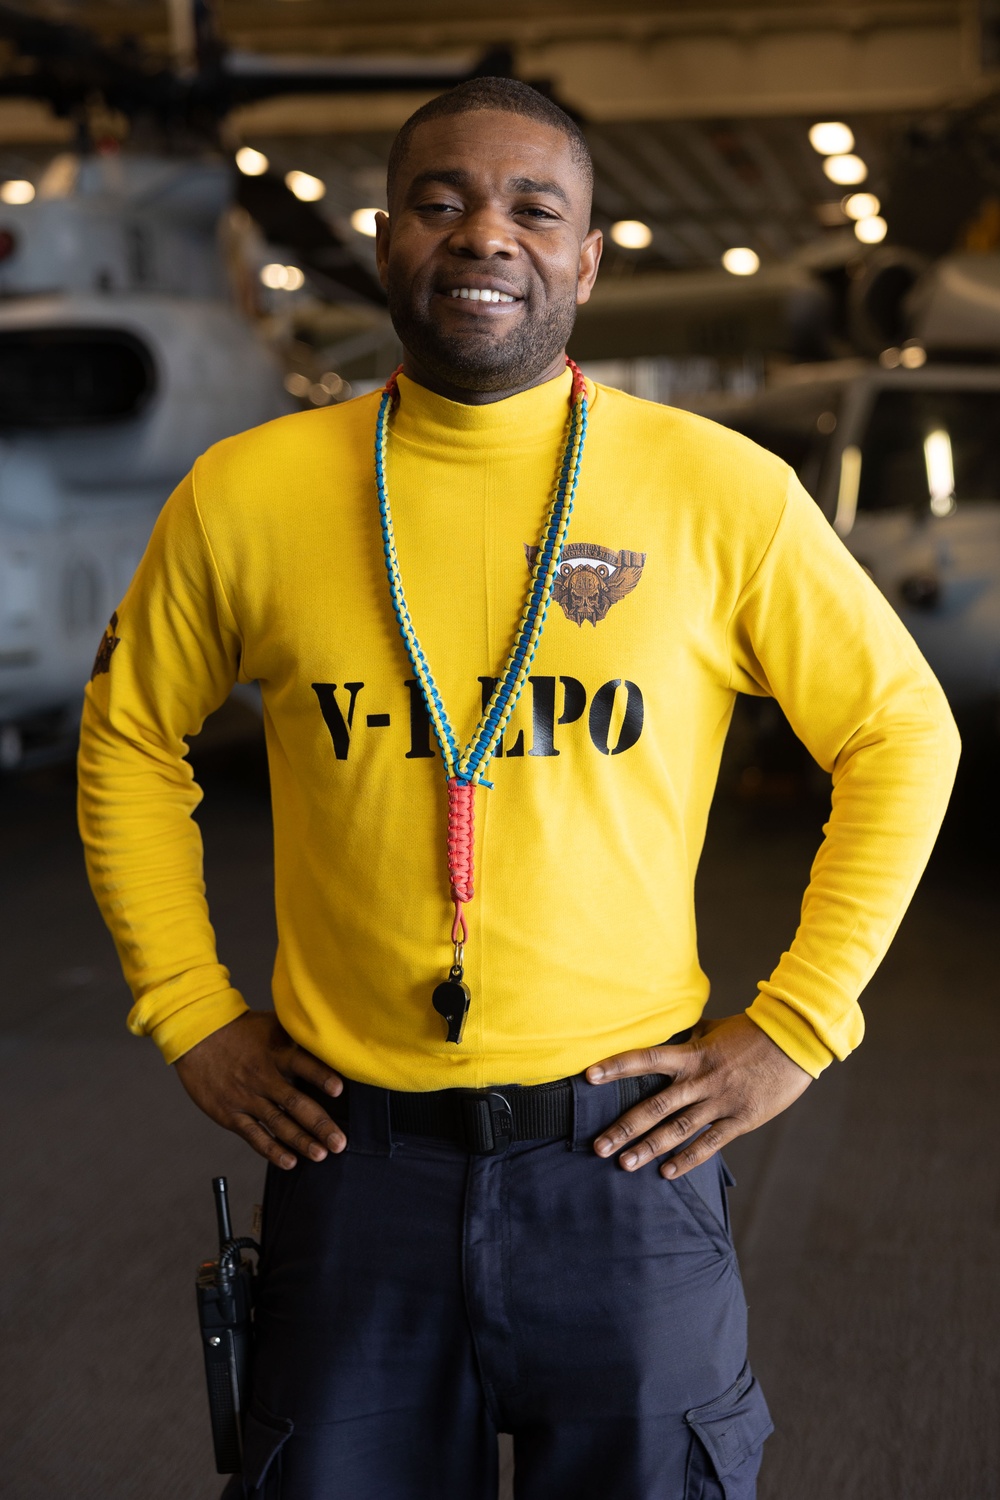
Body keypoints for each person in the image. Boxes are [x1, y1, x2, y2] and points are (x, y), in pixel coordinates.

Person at [78, 78, 959, 1500]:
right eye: (442, 201)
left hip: (622, 1162)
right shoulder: (245, 497)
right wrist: (186, 1006)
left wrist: (799, 1025)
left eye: (533, 208)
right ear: (387, 239)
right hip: (352, 1164)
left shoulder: (716, 492)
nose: (486, 234)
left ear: (588, 259)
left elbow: (903, 730)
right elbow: (127, 739)